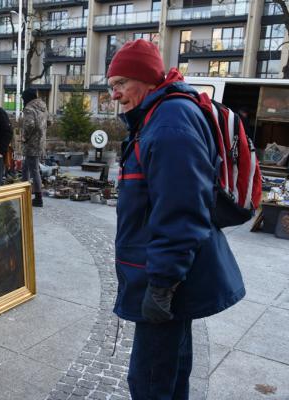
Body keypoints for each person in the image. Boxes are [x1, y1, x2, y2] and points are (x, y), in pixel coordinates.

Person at [107, 39, 246, 400]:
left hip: (167, 279)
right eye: (111, 86)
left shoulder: (170, 124)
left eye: (121, 83)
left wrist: (161, 286)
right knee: (170, 371)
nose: (114, 94)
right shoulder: (157, 117)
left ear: (148, 80)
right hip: (169, 273)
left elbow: (181, 213)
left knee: (150, 380)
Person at [21, 88, 48, 207]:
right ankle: (23, 193)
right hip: (40, 142)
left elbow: (30, 124)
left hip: (31, 143)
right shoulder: (43, 106)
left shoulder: (29, 108)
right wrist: (41, 132)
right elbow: (50, 121)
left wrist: (24, 137)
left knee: (34, 170)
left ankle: (38, 198)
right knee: (25, 167)